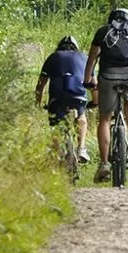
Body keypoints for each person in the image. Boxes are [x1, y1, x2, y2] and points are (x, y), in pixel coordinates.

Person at [83, 7, 128, 183]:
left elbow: (92, 58)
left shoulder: (102, 31)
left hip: (108, 76)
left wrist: (87, 79)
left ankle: (104, 163)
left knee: (105, 118)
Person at [35, 35, 91, 163]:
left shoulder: (53, 57)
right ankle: (81, 148)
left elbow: (41, 85)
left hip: (57, 96)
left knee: (55, 124)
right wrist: (95, 102)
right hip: (78, 94)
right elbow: (94, 83)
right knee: (81, 116)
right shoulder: (84, 57)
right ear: (76, 48)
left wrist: (38, 103)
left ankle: (56, 153)